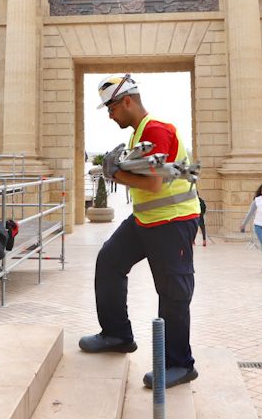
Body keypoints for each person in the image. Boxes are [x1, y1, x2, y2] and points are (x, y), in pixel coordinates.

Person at [78, 74, 200, 390]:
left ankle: (179, 364)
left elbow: (155, 182)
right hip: (147, 219)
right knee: (109, 261)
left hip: (173, 221)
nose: (109, 114)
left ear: (128, 101)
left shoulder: (157, 130)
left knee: (172, 291)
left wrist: (115, 174)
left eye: (112, 108)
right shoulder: (139, 135)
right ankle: (117, 334)